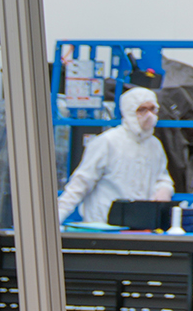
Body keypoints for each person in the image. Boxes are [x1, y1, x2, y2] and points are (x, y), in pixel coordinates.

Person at [56, 84, 170, 226]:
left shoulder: (154, 145)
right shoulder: (108, 142)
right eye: (142, 110)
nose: (149, 115)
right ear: (129, 112)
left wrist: (164, 189)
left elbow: (162, 177)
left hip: (141, 226)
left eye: (152, 109)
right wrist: (56, 218)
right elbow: (81, 183)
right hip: (103, 226)